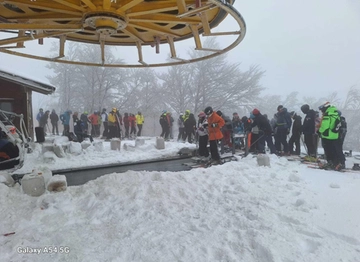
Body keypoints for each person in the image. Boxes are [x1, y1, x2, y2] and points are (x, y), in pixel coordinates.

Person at [318, 102, 342, 170]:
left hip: (327, 135)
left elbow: (324, 126)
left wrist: (319, 131)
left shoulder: (327, 115)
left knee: (328, 150)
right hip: (334, 135)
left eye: (322, 109)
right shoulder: (335, 114)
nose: (322, 111)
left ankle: (330, 162)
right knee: (333, 150)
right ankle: (336, 163)